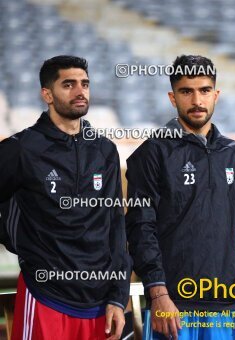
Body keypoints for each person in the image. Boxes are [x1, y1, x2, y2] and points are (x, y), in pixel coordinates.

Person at [125, 55, 235, 340]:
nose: (197, 100)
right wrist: (158, 294)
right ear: (172, 97)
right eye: (186, 91)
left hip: (227, 305)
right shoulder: (153, 153)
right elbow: (142, 228)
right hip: (174, 306)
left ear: (216, 95)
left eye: (204, 90)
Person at [0, 55, 130, 339]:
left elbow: (116, 227)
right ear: (47, 94)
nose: (80, 91)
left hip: (100, 303)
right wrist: (17, 241)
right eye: (68, 85)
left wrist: (118, 297)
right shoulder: (20, 149)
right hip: (46, 294)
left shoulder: (104, 150)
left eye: (85, 84)